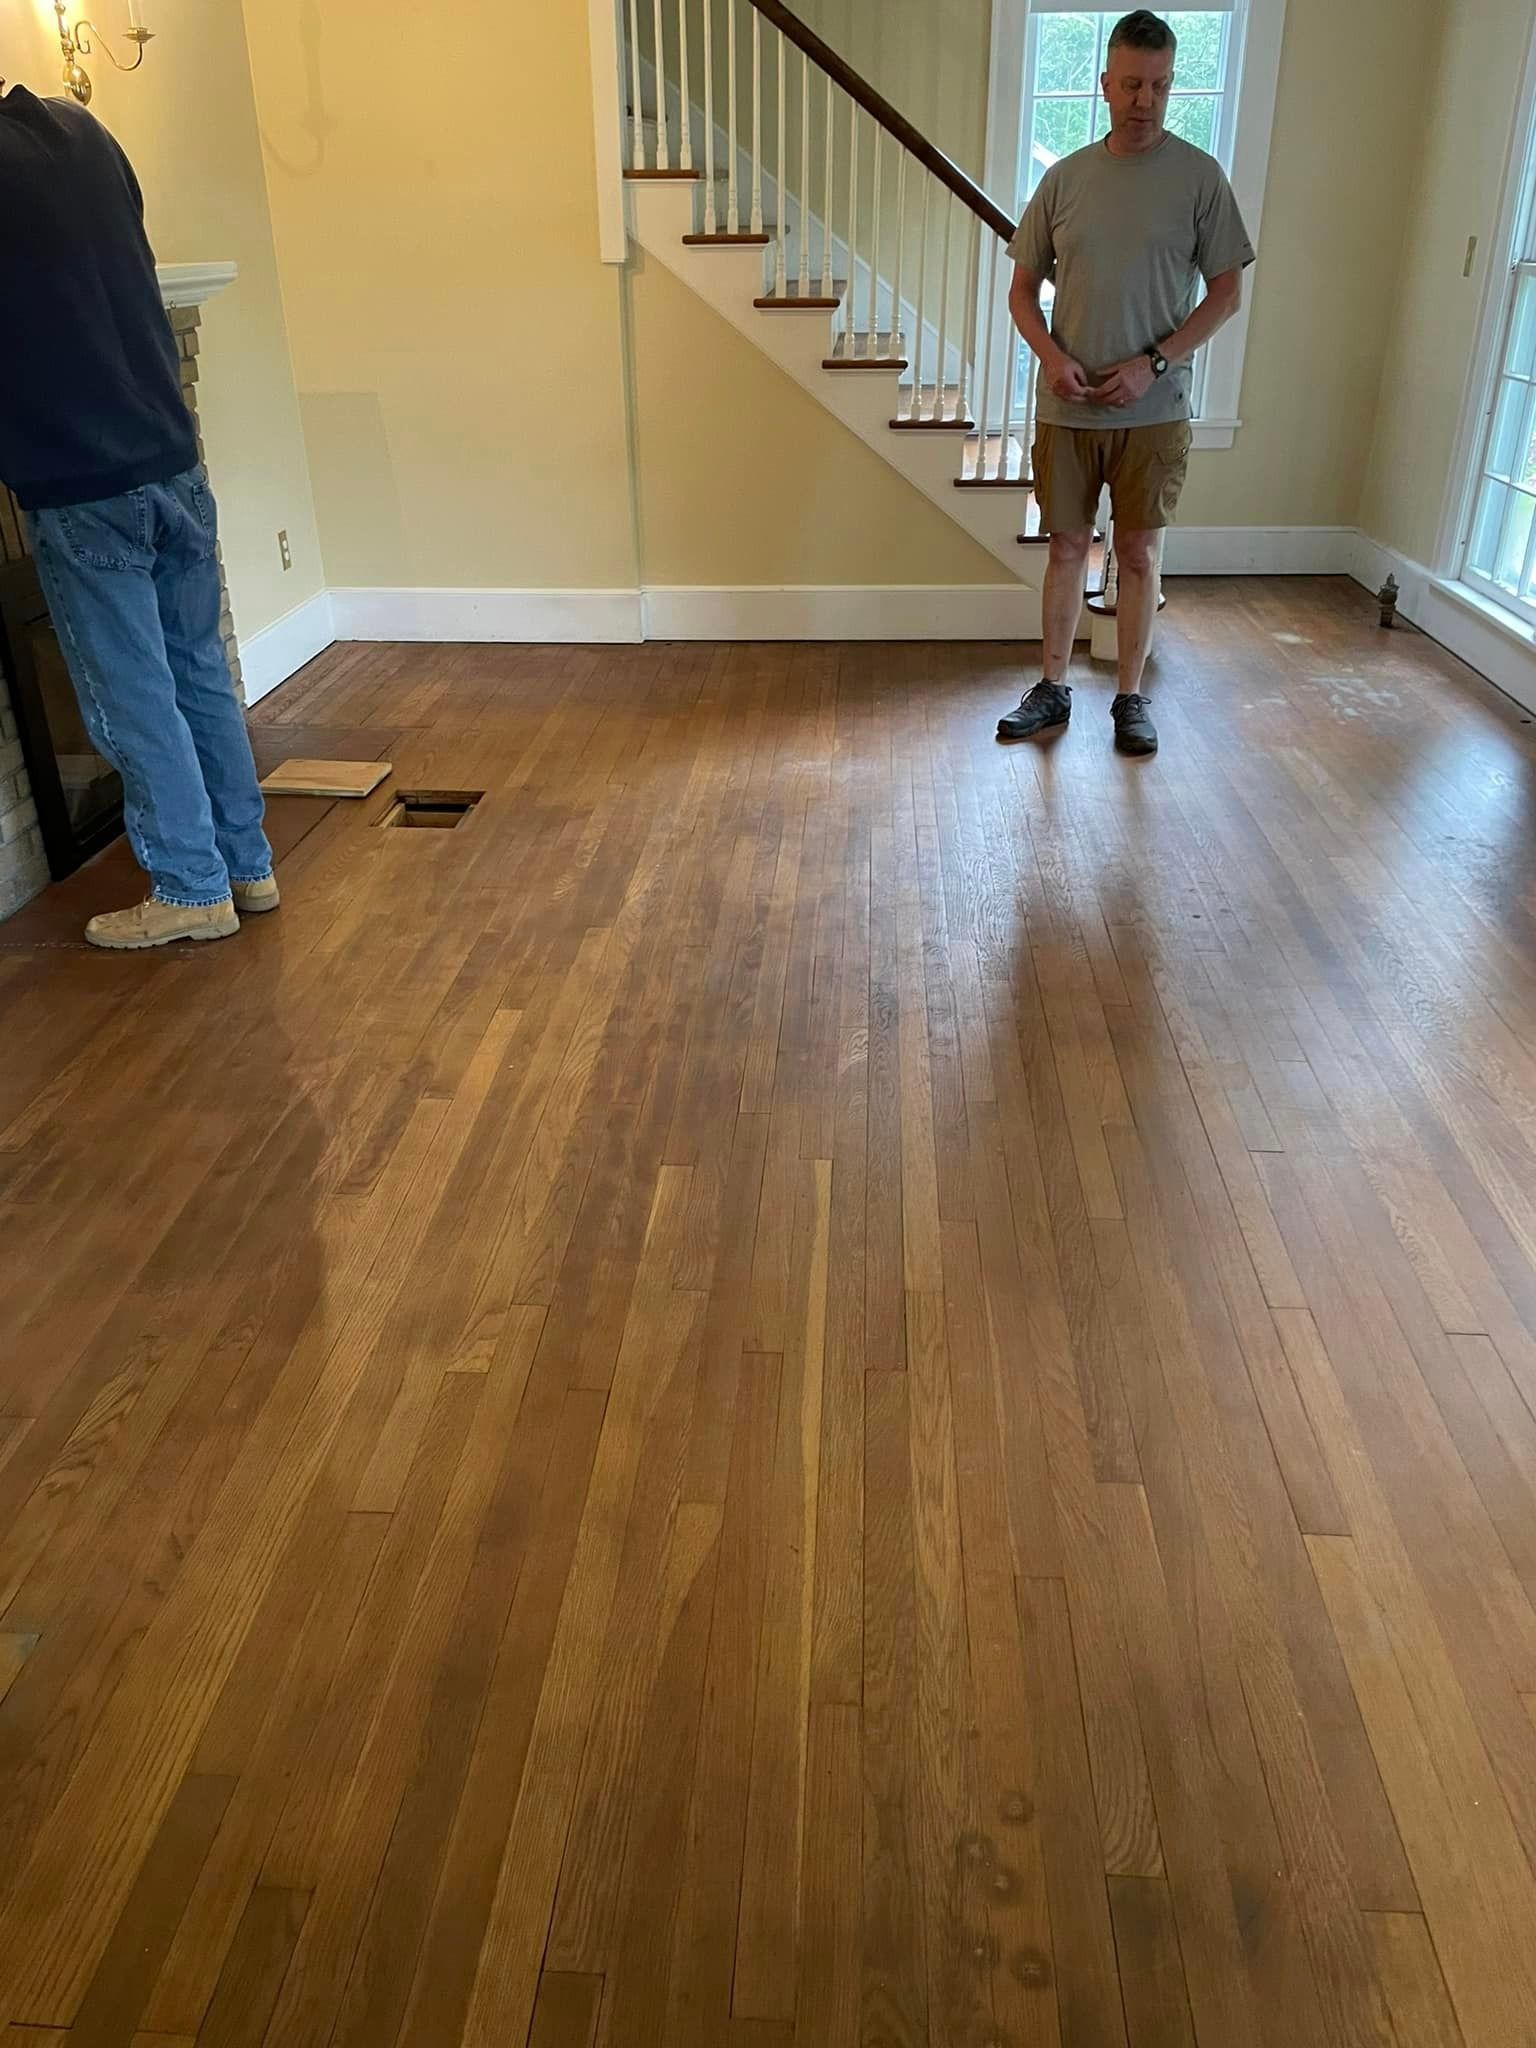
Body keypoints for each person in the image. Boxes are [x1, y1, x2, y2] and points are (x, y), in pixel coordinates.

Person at [0, 80, 278, 948]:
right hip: (169, 457)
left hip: (81, 484)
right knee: (196, 672)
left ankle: (192, 891)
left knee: (133, 699)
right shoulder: (83, 128)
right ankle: (247, 865)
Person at [996, 8, 1255, 758]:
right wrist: (1051, 357)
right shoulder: (1064, 180)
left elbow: (1225, 293)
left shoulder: (1200, 178)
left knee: (1138, 553)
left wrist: (1157, 362)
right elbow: (1021, 291)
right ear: (1104, 83)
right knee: (1068, 548)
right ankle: (1051, 688)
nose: (1146, 100)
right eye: (1134, 84)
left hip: (1155, 409)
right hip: (1068, 408)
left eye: (1162, 87)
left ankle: (1131, 698)